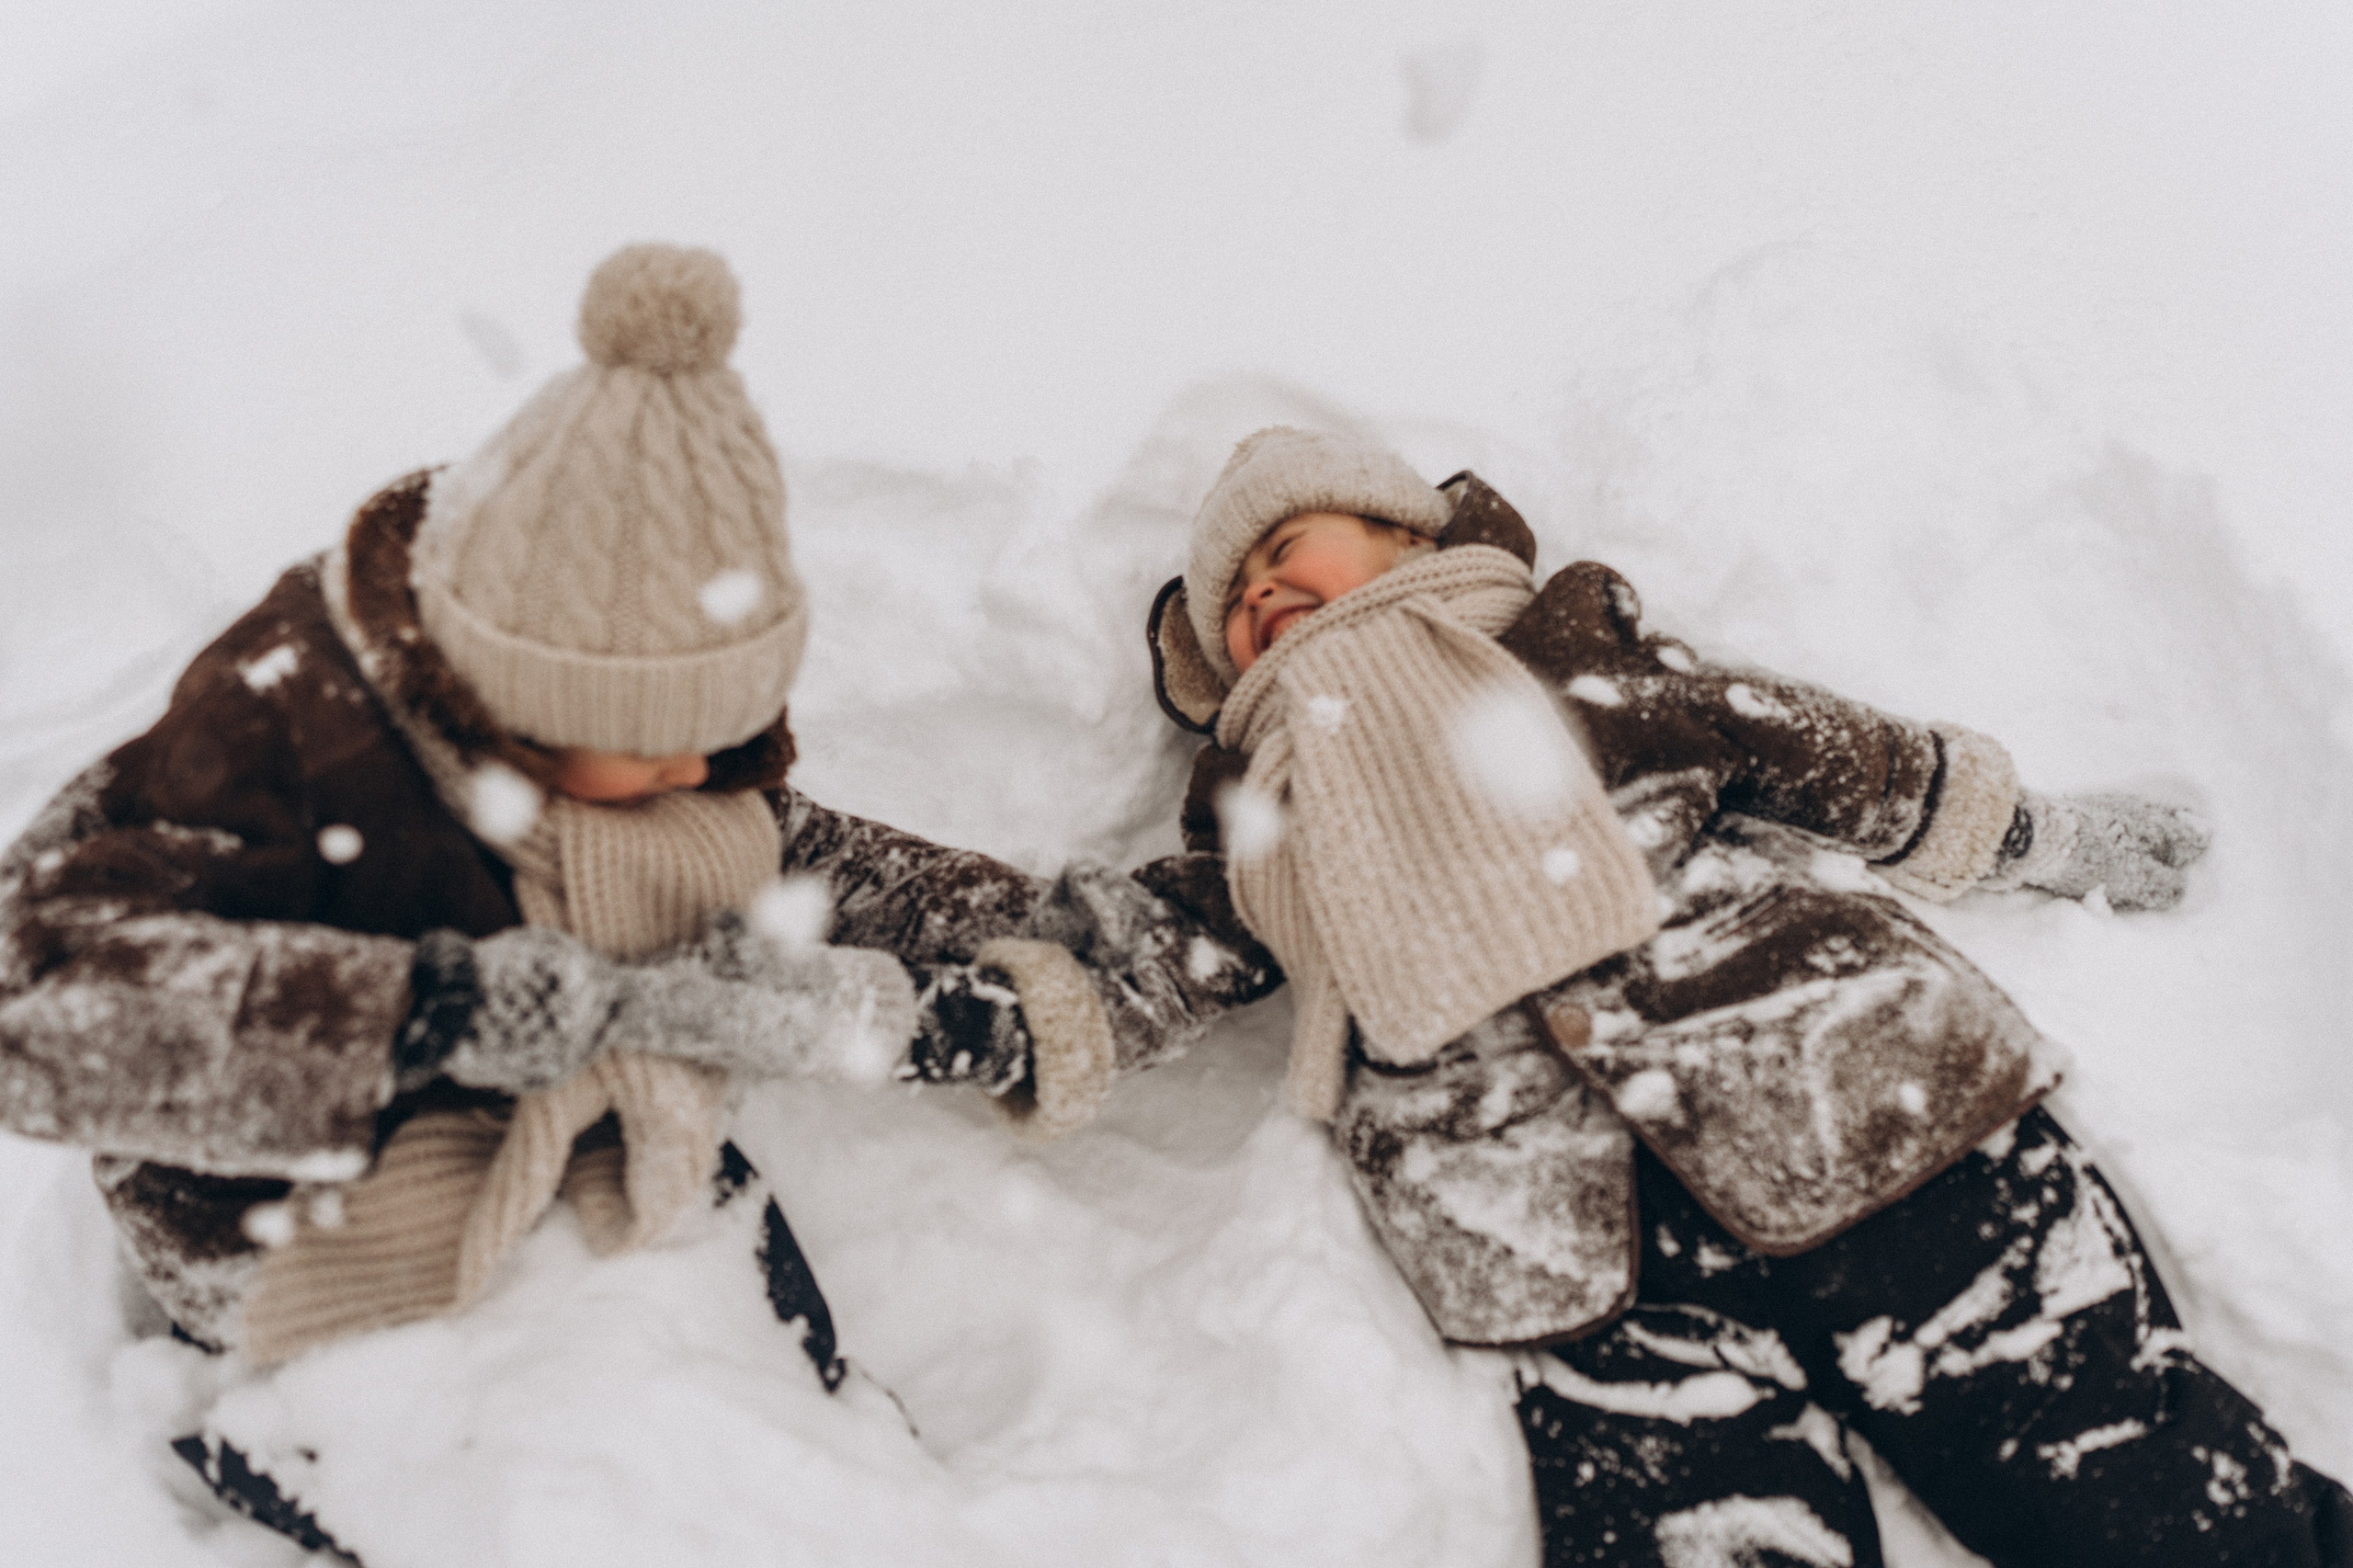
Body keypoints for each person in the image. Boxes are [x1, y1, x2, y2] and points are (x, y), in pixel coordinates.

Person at [0, 244, 1242, 1561]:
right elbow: (37, 1001)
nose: (687, 775)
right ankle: (350, 1447)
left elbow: (777, 855)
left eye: (717, 737)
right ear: (518, 695)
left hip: (575, 1114)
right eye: (654, 746)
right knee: (531, 1497)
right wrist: (421, 1013)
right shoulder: (287, 731)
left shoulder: (660, 746)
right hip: (295, 1219)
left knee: (777, 1435)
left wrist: (1043, 946)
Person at [1030, 425, 2347, 1566]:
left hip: (1862, 1109)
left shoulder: (1576, 653)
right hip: (1587, 1260)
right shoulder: (1261, 815)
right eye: (1238, 603)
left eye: (1288, 551)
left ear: (1402, 534)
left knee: (2124, 1485)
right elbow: (1142, 963)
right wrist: (969, 1013)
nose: (1264, 595)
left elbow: (1843, 760)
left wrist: (2048, 839)